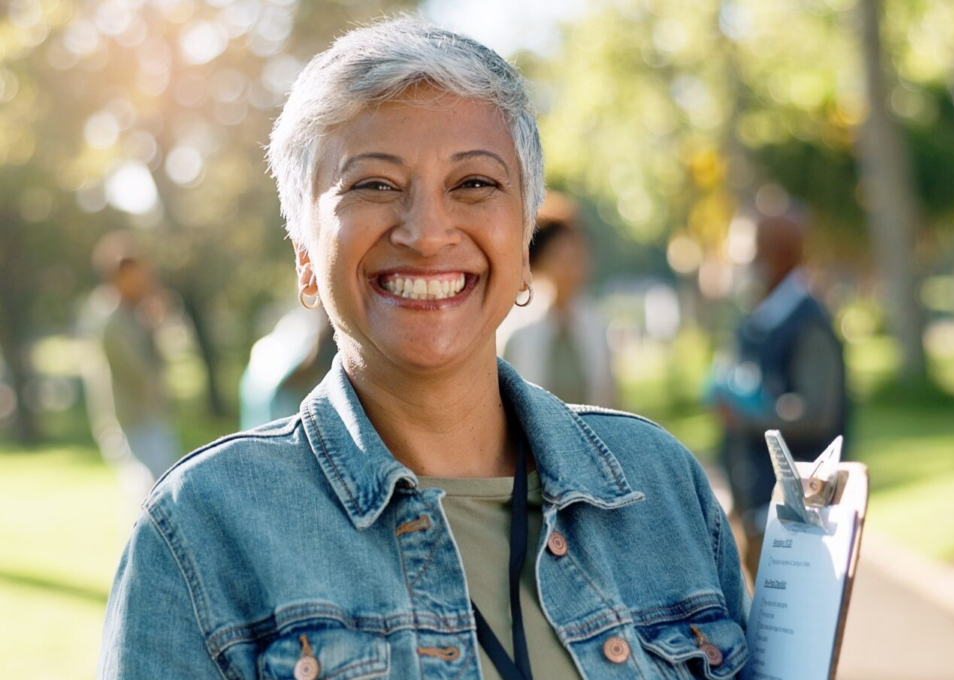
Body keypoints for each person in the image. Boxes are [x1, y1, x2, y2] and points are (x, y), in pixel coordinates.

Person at [100, 18, 749, 680]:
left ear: (524, 248)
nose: (427, 231)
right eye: (374, 185)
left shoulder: (662, 490)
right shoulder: (199, 532)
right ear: (303, 256)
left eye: (473, 184)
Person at [710, 207, 848, 577]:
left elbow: (816, 412)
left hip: (797, 514)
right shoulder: (762, 316)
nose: (749, 263)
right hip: (758, 504)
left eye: (755, 252)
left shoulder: (807, 322)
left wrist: (748, 417)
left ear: (778, 254)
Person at [81, 233, 180, 512]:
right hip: (129, 420)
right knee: (148, 497)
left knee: (156, 493)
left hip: (148, 414)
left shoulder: (131, 313)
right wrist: (153, 322)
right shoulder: (111, 319)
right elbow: (141, 373)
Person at [502, 193, 618, 407]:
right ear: (541, 259)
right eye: (563, 254)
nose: (575, 263)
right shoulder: (516, 327)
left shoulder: (595, 325)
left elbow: (612, 401)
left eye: (578, 251)